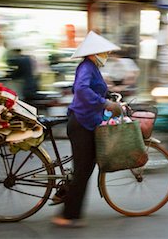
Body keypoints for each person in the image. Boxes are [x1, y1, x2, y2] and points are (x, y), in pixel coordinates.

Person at [51, 31, 122, 228]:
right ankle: (66, 215)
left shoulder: (92, 68)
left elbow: (95, 88)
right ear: (94, 53)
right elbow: (82, 90)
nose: (106, 55)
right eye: (104, 52)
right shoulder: (87, 67)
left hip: (88, 122)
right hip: (81, 124)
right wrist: (104, 103)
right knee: (82, 170)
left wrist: (110, 95)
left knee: (86, 167)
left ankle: (65, 195)